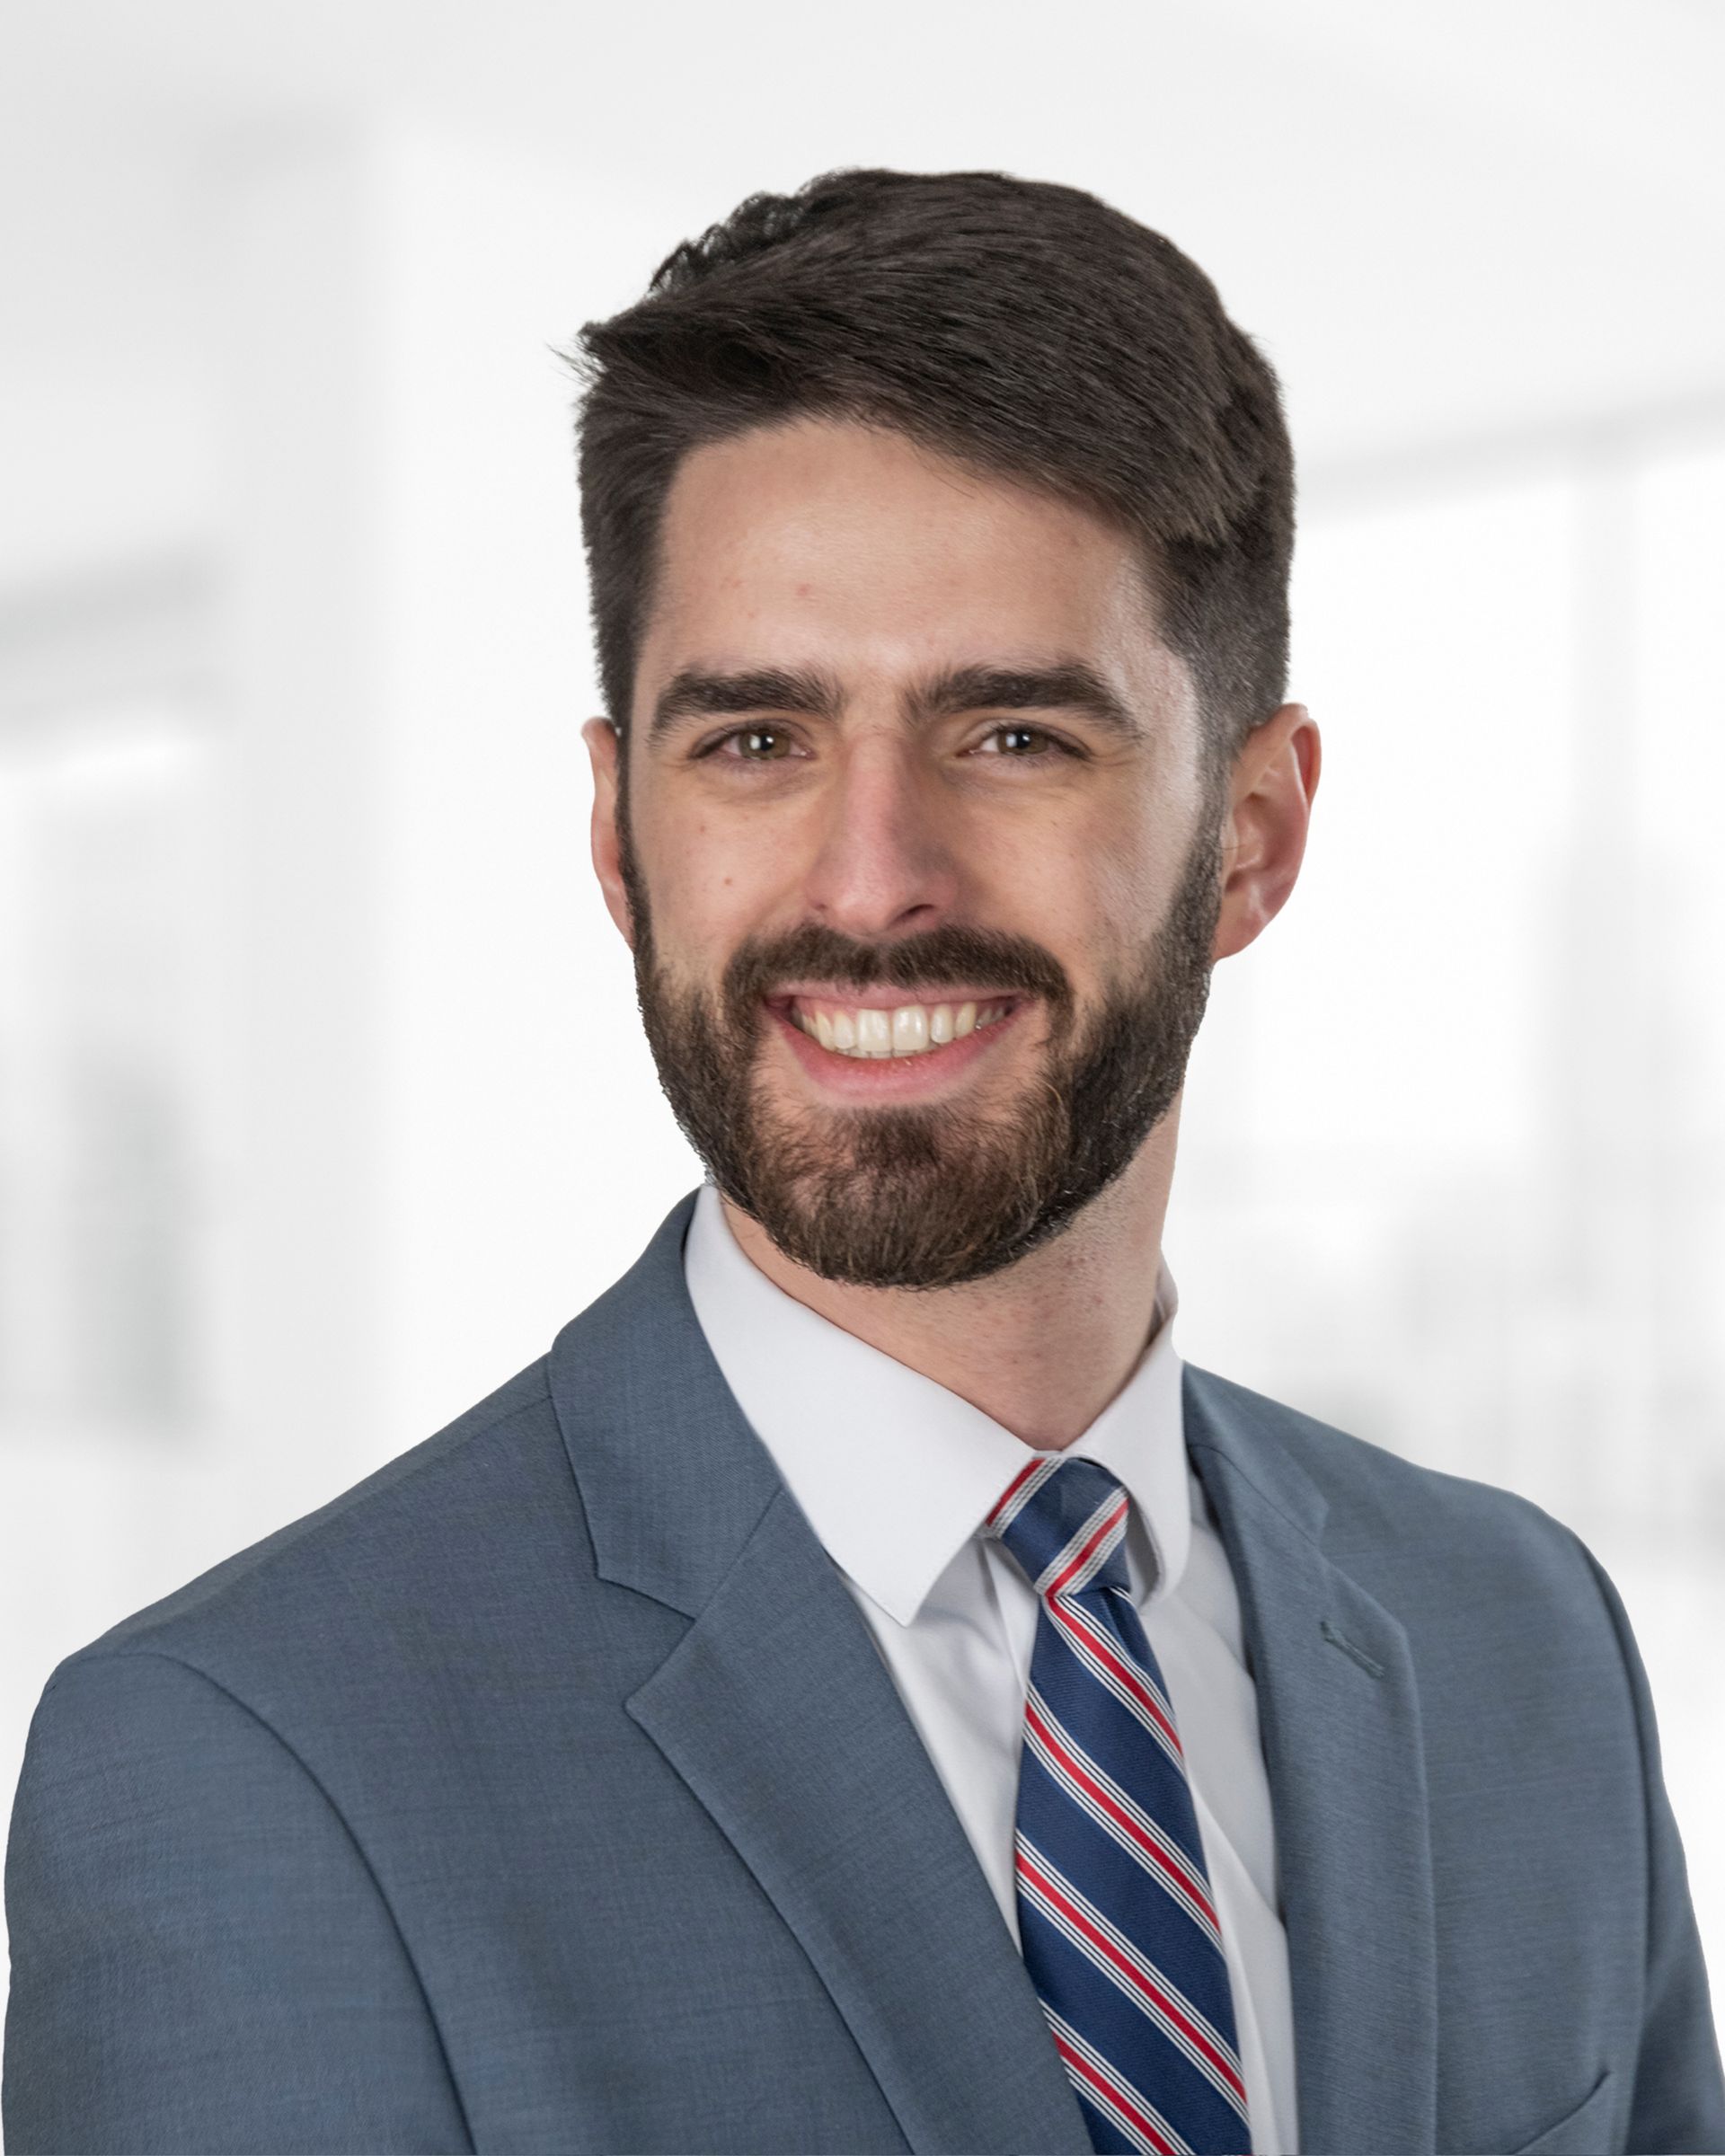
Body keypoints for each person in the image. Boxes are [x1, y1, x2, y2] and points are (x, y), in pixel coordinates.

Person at [4, 167, 1720, 2156]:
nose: (872, 881)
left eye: (1011, 738)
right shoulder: (253, 1773)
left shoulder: (1526, 1643)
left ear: (1251, 832)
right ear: (617, 834)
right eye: (753, 742)